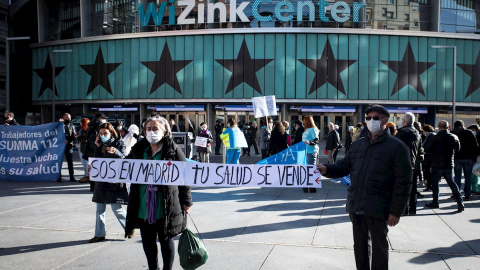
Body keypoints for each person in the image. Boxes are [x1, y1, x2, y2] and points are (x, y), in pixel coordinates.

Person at [316, 104, 412, 270]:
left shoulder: (397, 147)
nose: (371, 121)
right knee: (359, 247)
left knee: (379, 248)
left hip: (379, 207)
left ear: (385, 120)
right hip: (357, 203)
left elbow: (403, 182)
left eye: (375, 118)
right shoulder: (359, 144)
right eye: (368, 118)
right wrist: (327, 169)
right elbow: (345, 165)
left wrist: (396, 211)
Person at [125, 116, 192, 270]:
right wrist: (97, 167)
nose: (151, 131)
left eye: (155, 128)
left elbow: (185, 175)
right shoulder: (138, 149)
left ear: (165, 131)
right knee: (147, 242)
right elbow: (121, 167)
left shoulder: (173, 149)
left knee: (166, 240)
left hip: (166, 206)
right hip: (143, 206)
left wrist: (186, 200)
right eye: (148, 129)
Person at [87, 122, 129, 243]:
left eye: (105, 133)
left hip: (114, 183)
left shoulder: (119, 142)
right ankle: (99, 234)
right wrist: (96, 147)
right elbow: (96, 161)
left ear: (111, 133)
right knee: (100, 209)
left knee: (117, 208)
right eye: (100, 133)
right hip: (101, 183)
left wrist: (115, 152)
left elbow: (125, 159)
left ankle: (128, 228)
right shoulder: (99, 145)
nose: (103, 135)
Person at [424, 120, 464, 212]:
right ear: (448, 127)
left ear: (439, 127)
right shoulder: (453, 137)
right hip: (449, 163)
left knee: (435, 184)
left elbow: (427, 149)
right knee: (452, 183)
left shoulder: (434, 137)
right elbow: (457, 149)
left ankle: (435, 202)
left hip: (436, 164)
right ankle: (459, 201)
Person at [395, 112, 422, 215]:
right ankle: (412, 208)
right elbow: (420, 150)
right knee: (413, 187)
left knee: (403, 187)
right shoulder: (417, 133)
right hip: (414, 164)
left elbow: (395, 147)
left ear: (404, 121)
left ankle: (405, 209)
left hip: (402, 164)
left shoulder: (401, 133)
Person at [451, 120, 479, 201]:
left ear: (455, 126)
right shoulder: (469, 133)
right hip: (468, 158)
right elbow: (475, 146)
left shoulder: (453, 133)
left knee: (457, 177)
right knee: (468, 177)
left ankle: (456, 194)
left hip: (456, 158)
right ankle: (468, 194)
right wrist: (474, 158)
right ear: (463, 125)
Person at [84, 113, 108, 191]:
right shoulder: (95, 127)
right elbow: (92, 142)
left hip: (91, 152)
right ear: (100, 118)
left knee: (93, 170)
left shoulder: (91, 125)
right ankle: (94, 187)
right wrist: (98, 147)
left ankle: (93, 186)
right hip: (93, 151)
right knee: (94, 170)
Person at [302, 115, 320, 193]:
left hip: (311, 151)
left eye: (304, 120)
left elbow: (316, 140)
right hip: (306, 152)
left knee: (311, 168)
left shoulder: (313, 130)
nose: (303, 122)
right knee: (308, 168)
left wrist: (309, 142)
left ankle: (312, 187)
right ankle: (308, 185)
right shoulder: (306, 130)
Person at [58, 113, 77, 182]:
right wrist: (59, 123)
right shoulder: (59, 125)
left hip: (69, 146)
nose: (68, 120)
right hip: (60, 146)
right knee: (59, 162)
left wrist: (68, 141)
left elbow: (74, 136)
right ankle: (58, 177)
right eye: (67, 118)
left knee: (70, 162)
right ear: (63, 118)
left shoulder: (72, 126)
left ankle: (72, 176)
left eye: (69, 118)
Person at [421, 124, 435, 192]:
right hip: (431, 156)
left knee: (428, 171)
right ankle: (430, 185)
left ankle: (429, 186)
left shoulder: (430, 136)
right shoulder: (431, 136)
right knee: (429, 171)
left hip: (430, 156)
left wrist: (423, 150)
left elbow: (427, 146)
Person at [467, 124, 480, 194]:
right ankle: (474, 188)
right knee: (474, 173)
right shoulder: (474, 136)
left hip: (477, 157)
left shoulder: (477, 137)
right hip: (476, 157)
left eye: (473, 130)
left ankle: (474, 188)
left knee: (474, 171)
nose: (472, 132)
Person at [77, 118, 90, 183]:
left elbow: (85, 139)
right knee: (83, 162)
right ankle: (86, 174)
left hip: (85, 148)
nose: (80, 124)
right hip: (81, 147)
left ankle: (87, 175)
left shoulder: (87, 130)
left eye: (81, 122)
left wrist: (78, 138)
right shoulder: (81, 130)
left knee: (85, 162)